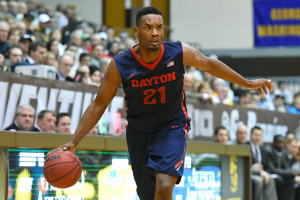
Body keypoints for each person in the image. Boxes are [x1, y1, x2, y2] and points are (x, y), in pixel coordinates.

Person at [49, 6, 273, 200]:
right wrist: (74, 141)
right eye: (148, 28)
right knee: (148, 195)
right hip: (139, 132)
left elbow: (209, 64)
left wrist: (246, 83)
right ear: (136, 32)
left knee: (165, 185)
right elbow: (99, 103)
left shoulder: (178, 52)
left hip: (172, 126)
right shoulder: (120, 65)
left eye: (159, 27)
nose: (155, 33)